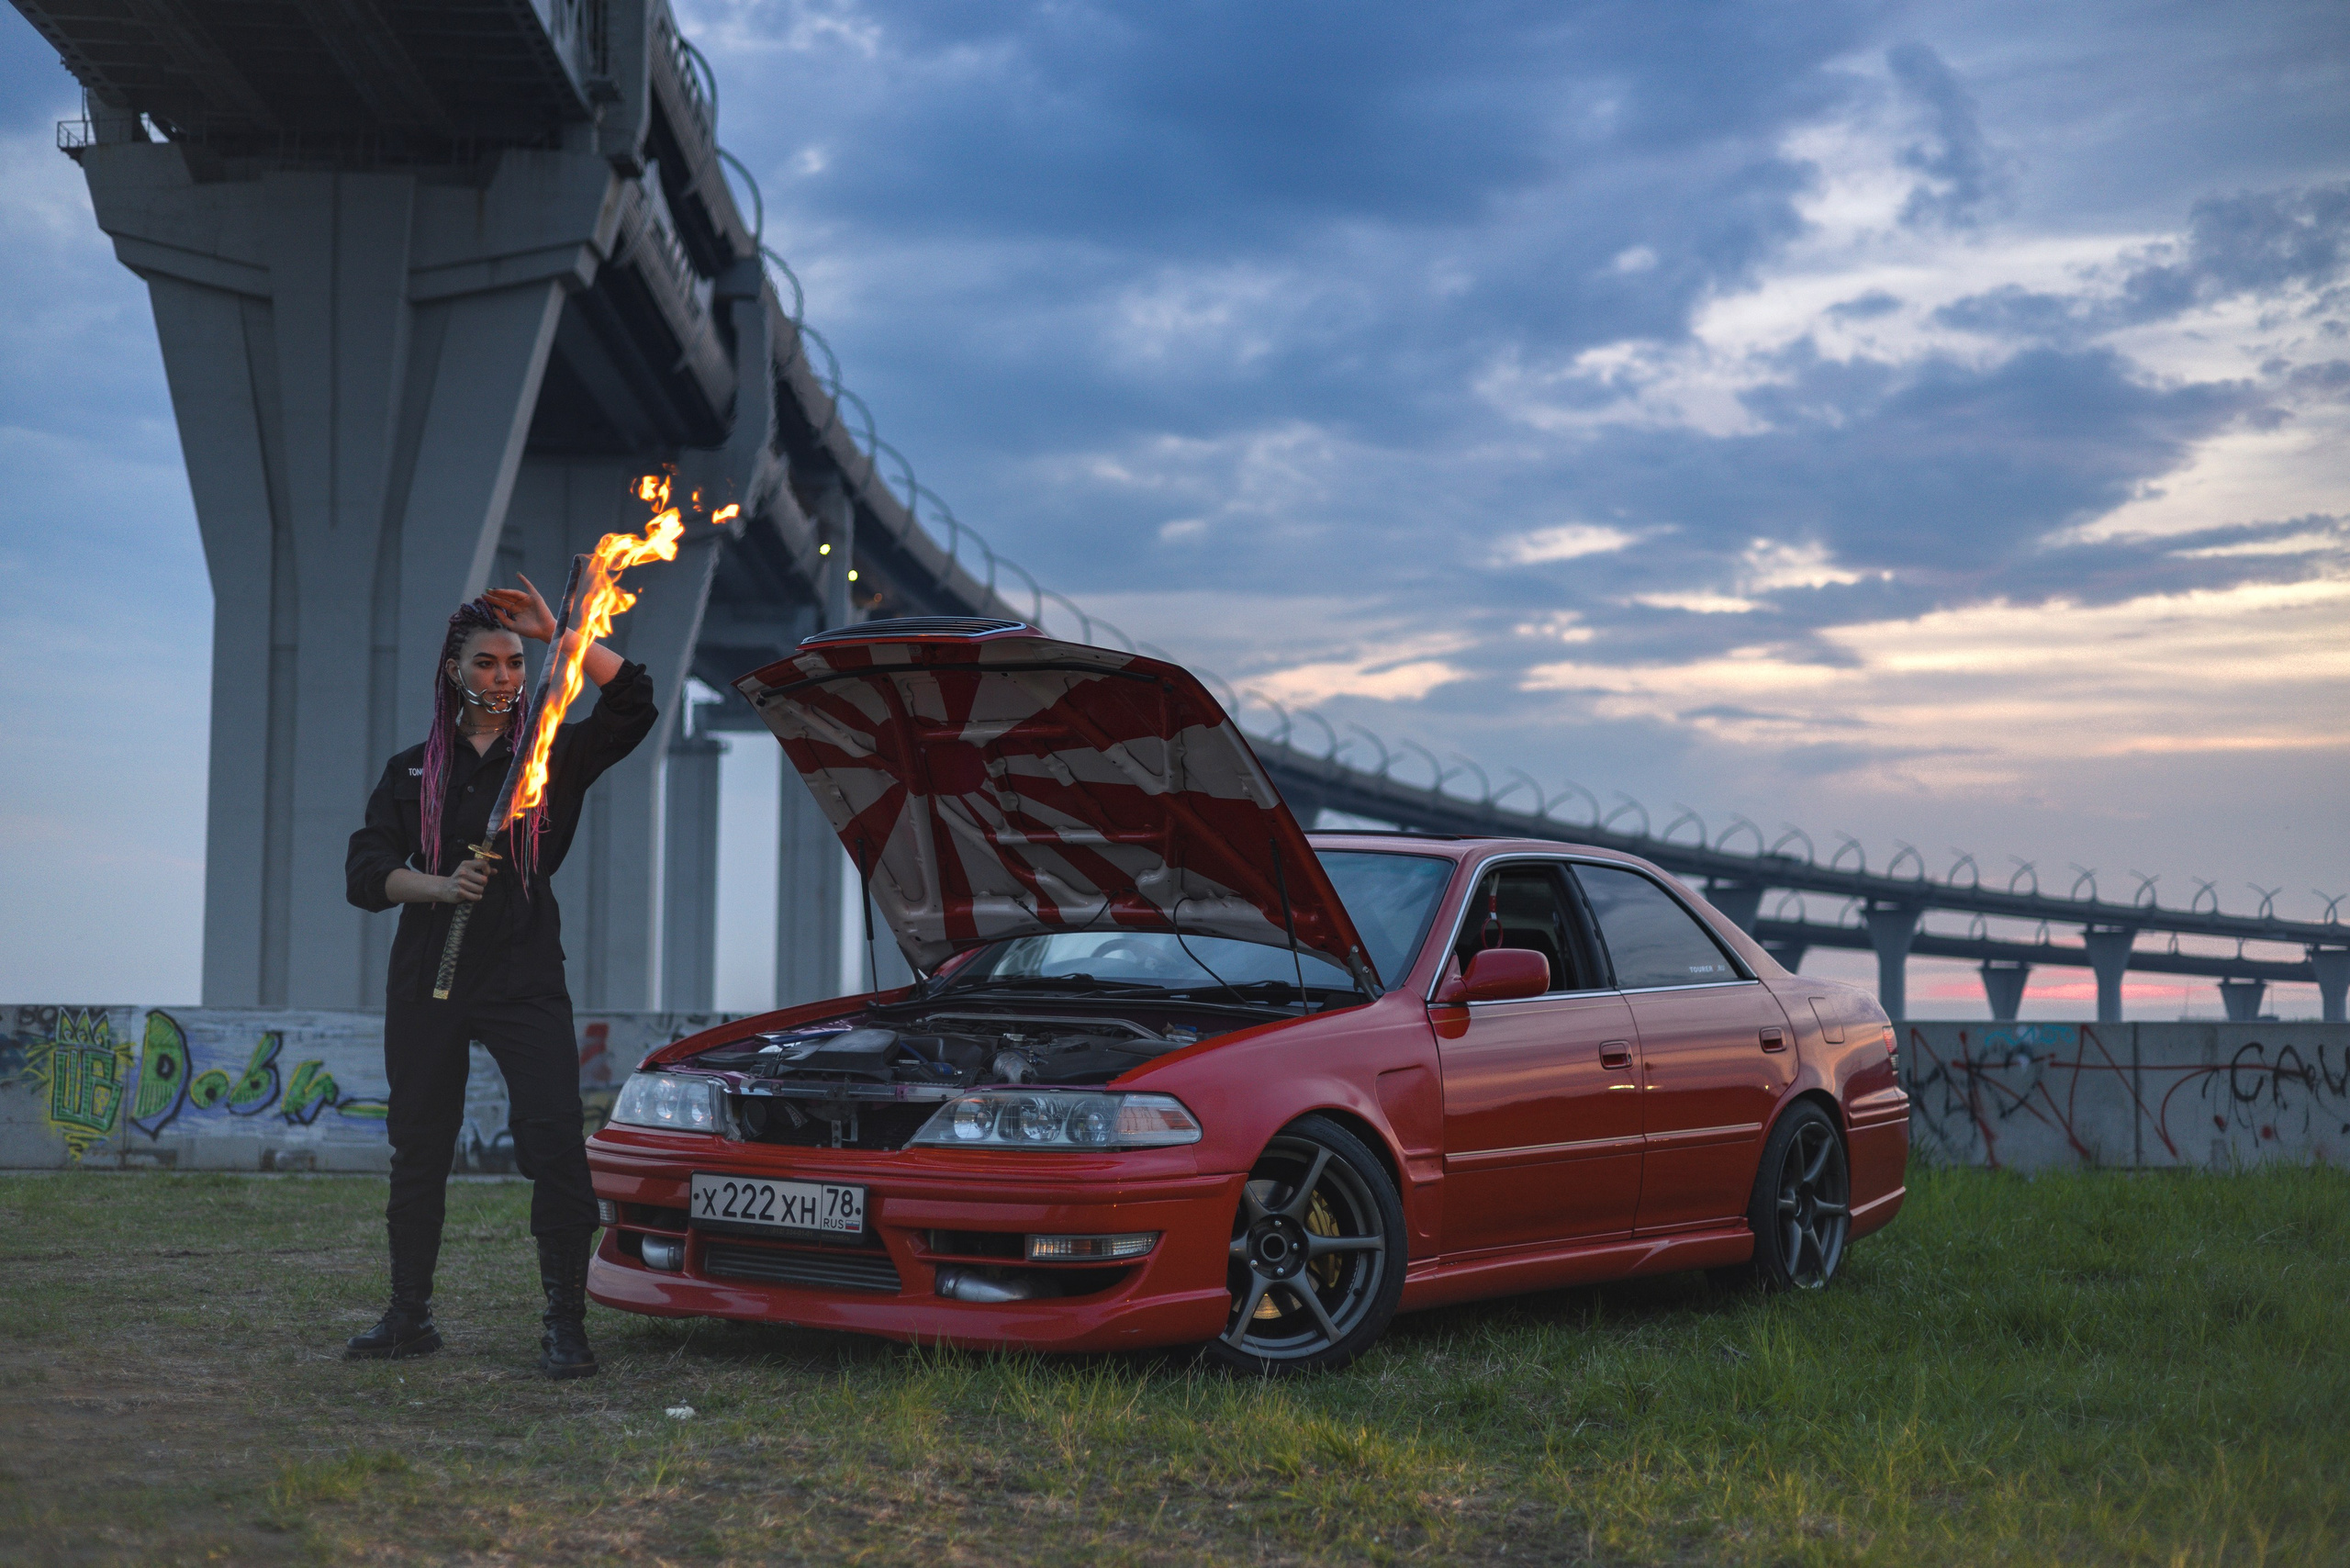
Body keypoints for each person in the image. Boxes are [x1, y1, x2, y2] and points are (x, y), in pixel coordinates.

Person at [342, 577, 655, 1378]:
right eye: (486, 663)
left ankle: (565, 1325)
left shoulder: (551, 755)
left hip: (522, 973)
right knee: (419, 1149)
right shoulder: (414, 773)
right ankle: (408, 1317)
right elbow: (365, 871)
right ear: (455, 672)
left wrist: (563, 635)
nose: (504, 677)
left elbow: (634, 706)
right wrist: (440, 885)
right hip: (429, 977)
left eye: (515, 663)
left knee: (554, 1141)